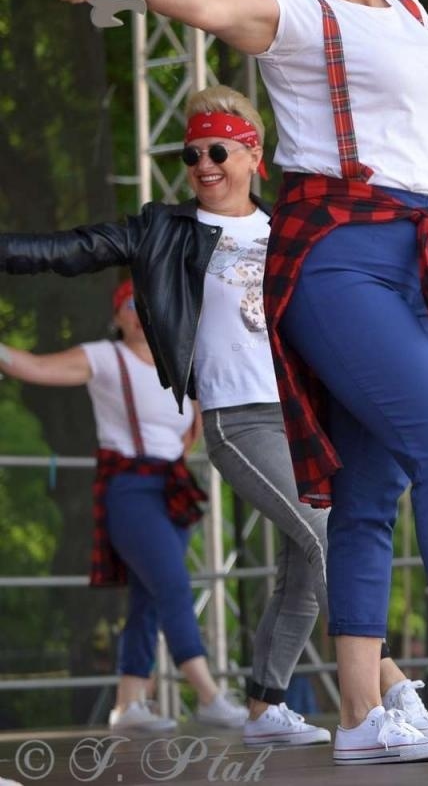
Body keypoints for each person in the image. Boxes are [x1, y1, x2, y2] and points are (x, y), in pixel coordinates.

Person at [52, 0, 428, 762]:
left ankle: (364, 716)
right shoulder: (294, 13)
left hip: (408, 257)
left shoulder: (412, 16)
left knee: (372, 490)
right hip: (333, 261)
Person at [0, 86, 428, 750]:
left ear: (253, 152)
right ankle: (383, 693)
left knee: (304, 559)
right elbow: (70, 249)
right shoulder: (166, 229)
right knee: (330, 535)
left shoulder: (291, 227)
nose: (203, 165)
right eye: (191, 153)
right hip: (238, 419)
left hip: (306, 418)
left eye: (218, 150)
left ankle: (264, 707)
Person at [0, 282, 246, 732]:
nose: (139, 313)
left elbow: (191, 429)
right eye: (130, 306)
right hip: (130, 489)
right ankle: (209, 694)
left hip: (171, 489)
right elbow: (37, 367)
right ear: (118, 317)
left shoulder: (179, 364)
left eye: (147, 305)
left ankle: (127, 704)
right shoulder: (104, 357)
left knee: (148, 596)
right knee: (172, 583)